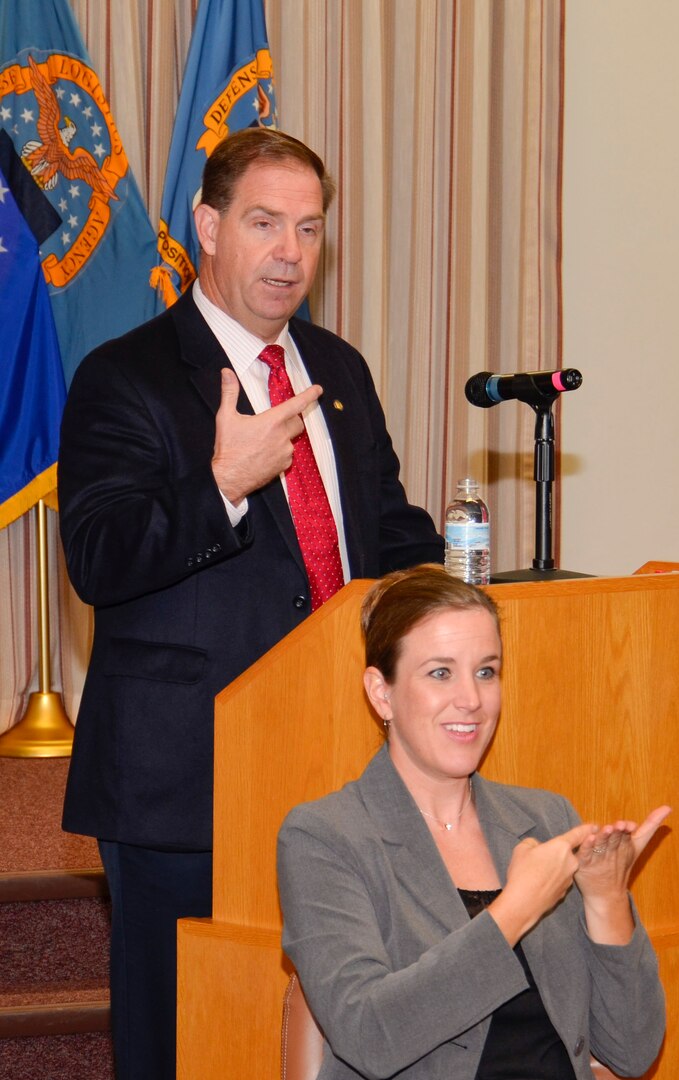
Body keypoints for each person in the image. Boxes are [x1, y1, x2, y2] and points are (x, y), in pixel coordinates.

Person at [57, 128, 443, 1080]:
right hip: (186, 777)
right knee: (183, 1037)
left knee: (334, 1023)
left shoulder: (335, 372)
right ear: (206, 227)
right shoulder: (127, 374)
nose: (289, 252)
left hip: (340, 762)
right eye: (264, 223)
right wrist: (224, 482)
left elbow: (382, 531)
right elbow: (99, 558)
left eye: (308, 230)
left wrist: (450, 589)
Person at [278, 565, 669, 1080]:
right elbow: (369, 1035)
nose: (472, 699)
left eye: (486, 671)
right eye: (441, 673)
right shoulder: (324, 837)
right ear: (381, 693)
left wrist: (606, 899)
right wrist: (515, 909)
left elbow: (632, 1051)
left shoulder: (546, 818)